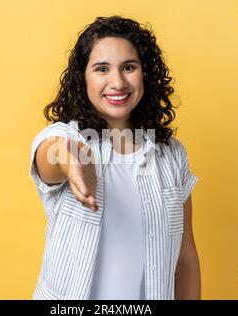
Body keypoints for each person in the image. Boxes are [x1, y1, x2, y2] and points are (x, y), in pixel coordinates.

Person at [30, 15, 200, 300]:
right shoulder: (67, 138)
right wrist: (72, 161)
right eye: (102, 69)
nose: (117, 82)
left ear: (144, 74)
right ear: (83, 78)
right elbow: (52, 155)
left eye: (129, 67)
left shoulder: (172, 155)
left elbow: (185, 258)